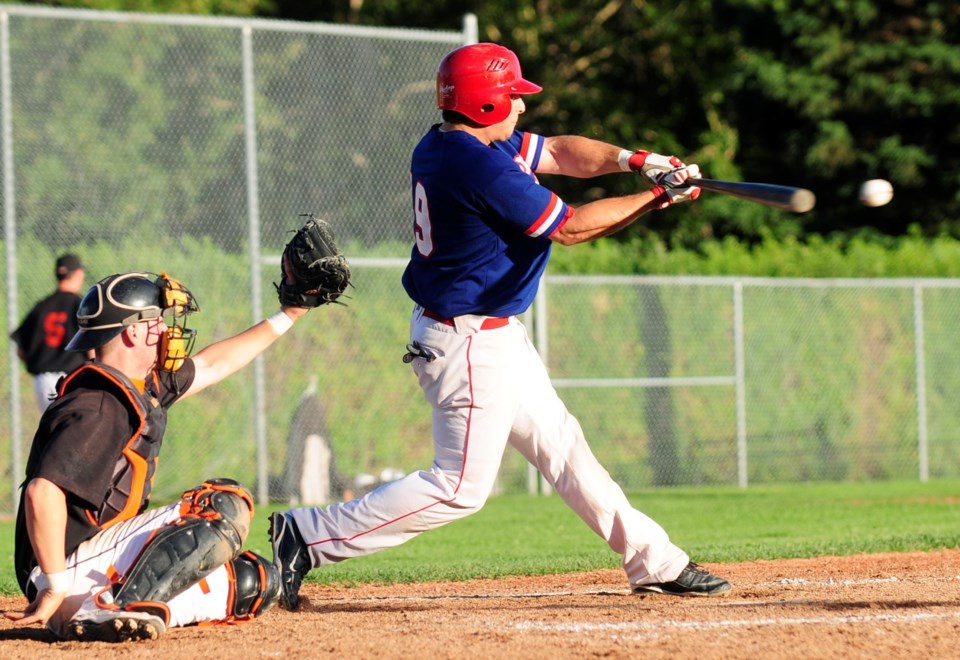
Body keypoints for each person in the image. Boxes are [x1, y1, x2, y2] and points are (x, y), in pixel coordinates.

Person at [268, 42, 730, 610]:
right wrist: (656, 197)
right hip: (465, 342)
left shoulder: (461, 142)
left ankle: (654, 560)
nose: (521, 107)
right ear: (485, 104)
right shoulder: (478, 166)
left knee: (563, 448)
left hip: (492, 334)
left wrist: (638, 162)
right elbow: (572, 226)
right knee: (458, 488)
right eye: (512, 97)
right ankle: (307, 535)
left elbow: (561, 151)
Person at [5, 270, 312, 642]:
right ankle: (111, 606)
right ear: (133, 333)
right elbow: (42, 493)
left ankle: (110, 612)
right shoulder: (100, 403)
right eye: (157, 321)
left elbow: (215, 364)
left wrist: (290, 313)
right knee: (221, 504)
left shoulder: (141, 385)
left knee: (252, 580)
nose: (167, 331)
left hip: (92, 569)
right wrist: (54, 585)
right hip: (66, 571)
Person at [10, 254, 89, 411]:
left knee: (52, 429)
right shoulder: (81, 305)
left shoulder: (41, 306)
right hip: (72, 379)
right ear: (79, 274)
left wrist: (35, 364)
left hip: (43, 381)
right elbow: (92, 344)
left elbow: (19, 346)